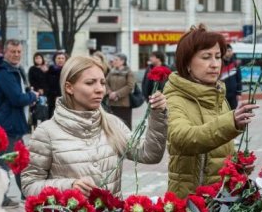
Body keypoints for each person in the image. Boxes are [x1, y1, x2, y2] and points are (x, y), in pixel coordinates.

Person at [22, 56, 167, 197]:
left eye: (102, 83)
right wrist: (69, 186)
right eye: (90, 83)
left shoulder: (112, 123)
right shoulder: (46, 132)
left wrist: (158, 114)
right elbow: (29, 185)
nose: (100, 89)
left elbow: (149, 154)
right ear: (69, 87)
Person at [165, 24, 259, 198]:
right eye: (206, 57)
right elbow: (183, 138)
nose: (215, 64)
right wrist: (231, 123)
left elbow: (219, 152)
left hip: (219, 199)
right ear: (187, 63)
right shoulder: (174, 99)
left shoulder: (218, 97)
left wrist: (238, 166)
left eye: (218, 57)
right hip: (189, 204)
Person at [0, 39, 39, 206]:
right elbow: (17, 98)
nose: (16, 55)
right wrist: (33, 96)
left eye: (18, 52)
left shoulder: (14, 70)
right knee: (5, 163)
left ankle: (25, 195)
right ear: (5, 52)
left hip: (14, 124)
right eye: (12, 51)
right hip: (7, 125)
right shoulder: (4, 73)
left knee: (20, 162)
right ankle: (2, 197)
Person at [105, 52, 137, 129]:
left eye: (116, 60)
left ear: (122, 61)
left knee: (124, 125)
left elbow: (130, 86)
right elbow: (105, 83)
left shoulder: (129, 72)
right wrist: (109, 93)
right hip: (112, 103)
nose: (114, 61)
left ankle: (127, 140)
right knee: (113, 125)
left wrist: (117, 94)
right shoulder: (111, 71)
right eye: (113, 60)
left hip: (123, 104)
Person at [28, 52, 50, 126]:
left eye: (40, 58)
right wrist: (37, 89)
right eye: (36, 58)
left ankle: (45, 126)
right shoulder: (32, 69)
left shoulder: (46, 68)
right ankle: (34, 126)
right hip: (36, 92)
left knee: (44, 110)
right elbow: (31, 80)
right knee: (35, 110)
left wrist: (44, 89)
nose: (38, 60)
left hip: (46, 92)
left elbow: (48, 80)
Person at [220, 44, 242, 110]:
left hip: (233, 95)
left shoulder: (235, 64)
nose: (230, 53)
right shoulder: (219, 64)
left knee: (233, 112)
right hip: (222, 95)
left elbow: (239, 80)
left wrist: (239, 93)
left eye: (231, 51)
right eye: (228, 51)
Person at [46, 51, 66, 117]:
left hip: (65, 97)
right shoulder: (50, 70)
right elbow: (47, 84)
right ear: (55, 60)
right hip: (52, 98)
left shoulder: (67, 70)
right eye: (58, 58)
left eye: (62, 58)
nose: (60, 60)